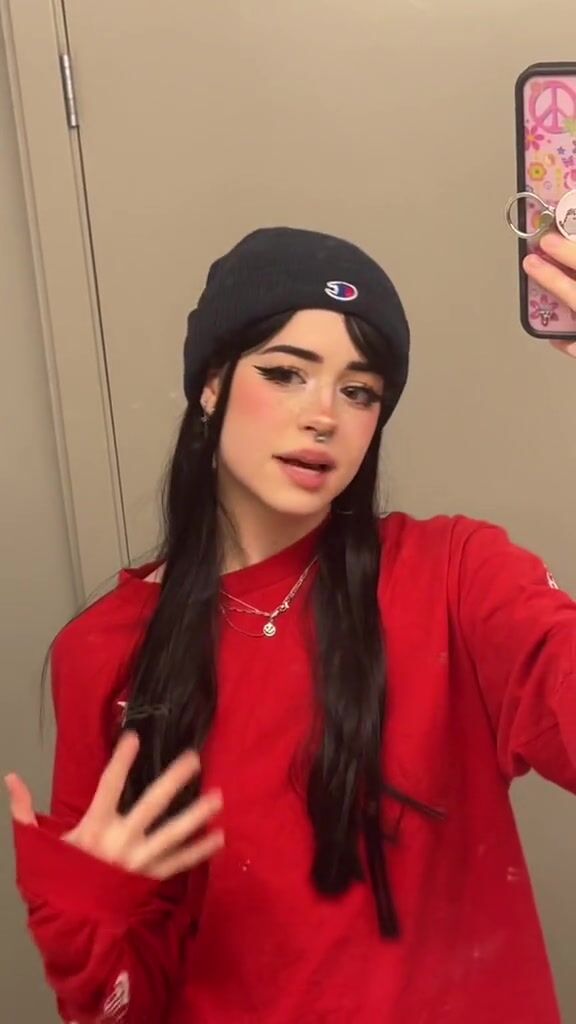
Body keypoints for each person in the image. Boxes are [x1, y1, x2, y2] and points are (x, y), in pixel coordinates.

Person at [5, 225, 576, 1024]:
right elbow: (119, 1008)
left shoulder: (456, 574)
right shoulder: (104, 651)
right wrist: (91, 911)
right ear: (212, 384)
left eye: (359, 391)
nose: (324, 417)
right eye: (285, 373)